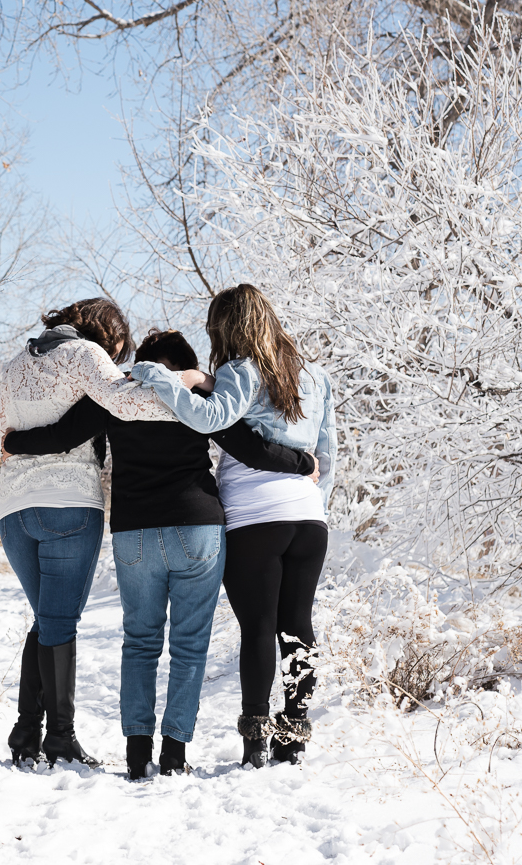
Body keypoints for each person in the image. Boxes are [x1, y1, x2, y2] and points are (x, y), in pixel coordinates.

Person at [3, 329, 316, 780]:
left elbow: (62, 435)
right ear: (186, 364)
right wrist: (304, 464)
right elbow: (250, 447)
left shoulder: (118, 395)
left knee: (141, 642)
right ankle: (173, 754)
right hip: (198, 528)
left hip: (134, 533)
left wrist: (13, 442)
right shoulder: (195, 401)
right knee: (189, 647)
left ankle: (136, 753)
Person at [128, 285, 336, 768]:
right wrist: (313, 503)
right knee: (299, 630)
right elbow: (328, 456)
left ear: (227, 327)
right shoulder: (317, 377)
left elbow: (212, 420)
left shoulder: (241, 370)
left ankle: (256, 743)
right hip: (308, 518)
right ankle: (294, 737)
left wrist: (165, 380)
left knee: (259, 629)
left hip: (253, 517)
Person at [0, 298, 189, 766]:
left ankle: (26, 732)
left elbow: (2, 441)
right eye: (120, 343)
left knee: (46, 620)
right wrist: (195, 396)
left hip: (14, 510)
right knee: (58, 623)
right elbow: (125, 402)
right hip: (67, 506)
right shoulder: (86, 355)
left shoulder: (15, 364)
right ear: (109, 332)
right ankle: (59, 738)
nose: (120, 353)